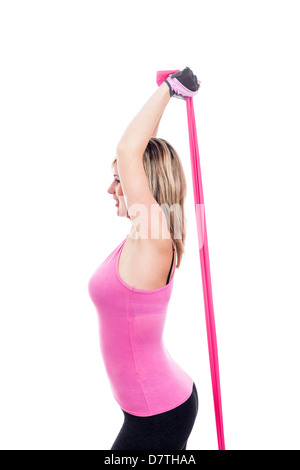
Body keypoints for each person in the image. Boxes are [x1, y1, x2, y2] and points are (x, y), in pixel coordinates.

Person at [88, 67, 200, 450]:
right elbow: (139, 155)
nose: (110, 189)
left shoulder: (154, 237)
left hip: (160, 413)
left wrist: (170, 90)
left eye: (119, 179)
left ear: (143, 185)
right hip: (146, 407)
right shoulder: (140, 237)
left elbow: (129, 150)